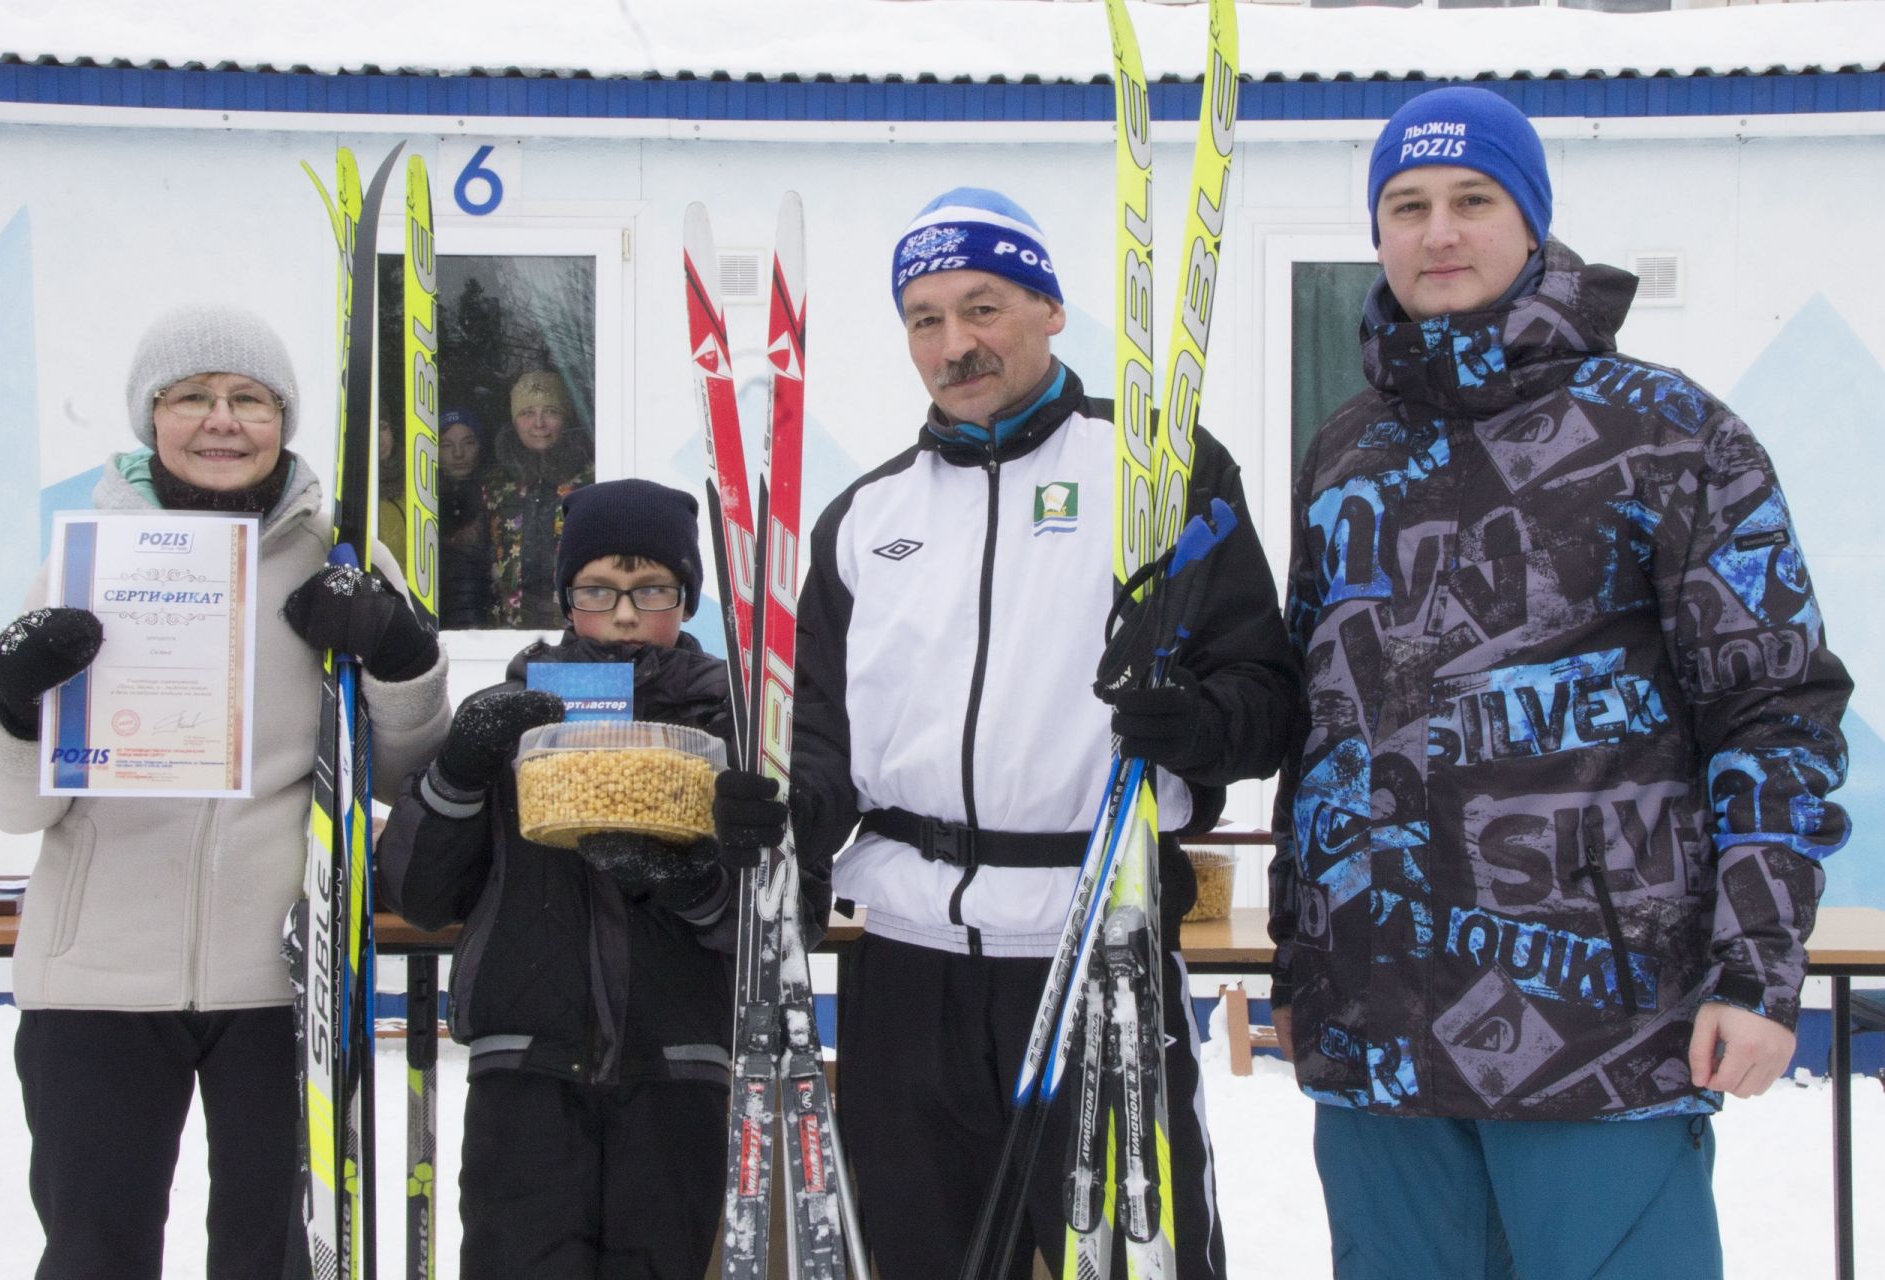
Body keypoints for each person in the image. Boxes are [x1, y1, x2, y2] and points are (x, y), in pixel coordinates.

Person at [1269, 87, 1854, 1279]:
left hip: (1601, 1029)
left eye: (1473, 201)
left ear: (1533, 221)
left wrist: (1757, 965)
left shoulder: (1669, 433)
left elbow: (1773, 709)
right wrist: (1299, 956)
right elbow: (1323, 728)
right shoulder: (1344, 450)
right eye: (1408, 205)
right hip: (1378, 1037)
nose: (1439, 231)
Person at [756, 188, 1300, 1280]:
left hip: (1094, 938)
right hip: (906, 968)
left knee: (1141, 1259)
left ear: (1050, 309)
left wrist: (1192, 722)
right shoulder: (866, 520)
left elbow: (1267, 702)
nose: (955, 343)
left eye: (983, 307)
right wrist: (787, 812)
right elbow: (821, 742)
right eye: (925, 317)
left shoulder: (1160, 473)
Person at [0, 302, 452, 1280]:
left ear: (285, 417)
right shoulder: (83, 562)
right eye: (190, 396)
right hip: (96, 972)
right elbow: (18, 805)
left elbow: (410, 770)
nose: (220, 418)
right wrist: (19, 703)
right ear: (152, 418)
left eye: (249, 398)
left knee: (273, 1254)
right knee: (94, 1250)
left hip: (285, 978)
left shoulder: (344, 557)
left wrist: (401, 651)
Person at [377, 478, 777, 1279]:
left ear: (687, 597)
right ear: (565, 598)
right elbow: (420, 896)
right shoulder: (518, 711)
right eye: (599, 589)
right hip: (525, 1068)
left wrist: (698, 880)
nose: (625, 613)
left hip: (677, 1067)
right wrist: (456, 774)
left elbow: (781, 926)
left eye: (651, 588)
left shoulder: (733, 723)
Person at [478, 368, 594, 629]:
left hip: (576, 632)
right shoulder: (495, 485)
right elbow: (473, 562)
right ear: (514, 420)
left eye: (551, 412)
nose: (539, 424)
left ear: (565, 418)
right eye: (527, 413)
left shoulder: (591, 482)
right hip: (504, 634)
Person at [437, 407, 492, 628]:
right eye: (446, 445)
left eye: (468, 442)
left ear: (480, 446)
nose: (458, 454)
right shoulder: (422, 496)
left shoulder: (498, 494)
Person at [377, 416, 409, 575]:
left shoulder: (416, 473)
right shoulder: (354, 484)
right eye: (372, 429)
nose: (379, 439)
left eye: (383, 428)